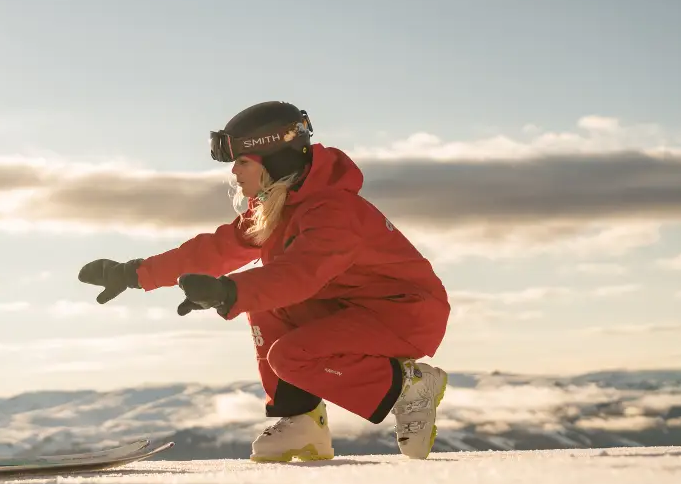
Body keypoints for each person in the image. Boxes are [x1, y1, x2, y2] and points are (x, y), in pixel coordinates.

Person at [78, 101, 452, 462]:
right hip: (350, 308)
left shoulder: (333, 211)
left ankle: (410, 384)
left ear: (274, 159)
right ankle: (303, 421)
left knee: (289, 353)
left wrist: (229, 291)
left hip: (403, 313)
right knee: (265, 304)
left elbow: (299, 275)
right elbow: (216, 249)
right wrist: (134, 273)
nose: (234, 173)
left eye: (242, 161)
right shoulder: (278, 206)